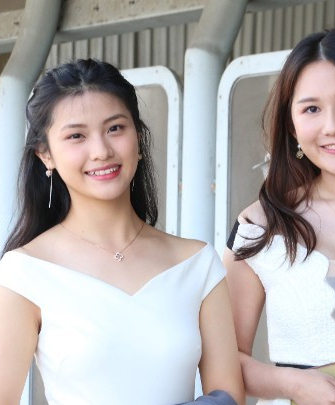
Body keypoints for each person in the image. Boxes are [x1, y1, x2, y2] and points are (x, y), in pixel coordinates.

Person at [0, 58, 245, 405]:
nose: (101, 151)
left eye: (115, 128)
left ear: (138, 138)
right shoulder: (25, 269)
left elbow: (228, 396)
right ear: (45, 155)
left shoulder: (197, 263)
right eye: (76, 136)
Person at [224, 28, 335, 405]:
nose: (333, 126)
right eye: (311, 109)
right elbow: (223, 361)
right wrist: (293, 384)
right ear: (292, 126)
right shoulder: (261, 227)